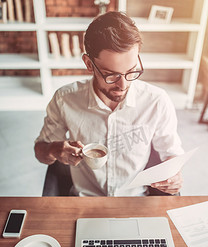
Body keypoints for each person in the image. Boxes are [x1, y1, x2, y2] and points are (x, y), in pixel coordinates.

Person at [34, 11, 184, 197]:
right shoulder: (65, 99)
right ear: (89, 64)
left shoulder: (157, 101)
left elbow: (171, 152)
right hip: (84, 202)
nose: (123, 85)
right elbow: (40, 152)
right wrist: (53, 150)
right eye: (111, 75)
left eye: (132, 71)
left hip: (136, 201)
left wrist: (175, 176)